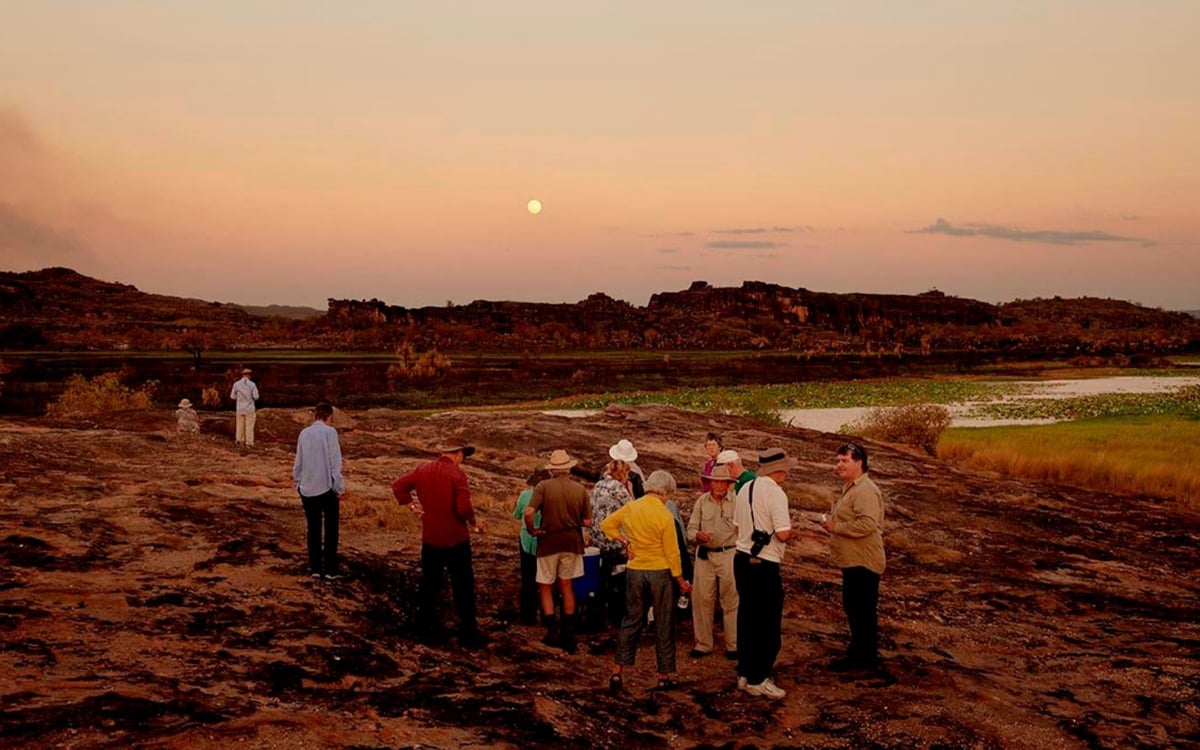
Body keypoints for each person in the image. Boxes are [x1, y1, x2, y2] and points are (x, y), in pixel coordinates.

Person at [601, 470, 692, 694]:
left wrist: (625, 542)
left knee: (631, 619)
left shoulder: (632, 507)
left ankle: (617, 670)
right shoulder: (664, 515)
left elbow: (606, 525)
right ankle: (663, 675)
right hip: (660, 571)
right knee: (664, 622)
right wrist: (680, 580)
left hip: (635, 570)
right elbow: (673, 553)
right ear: (666, 492)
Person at [392, 443, 488, 649]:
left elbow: (398, 486)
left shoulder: (423, 470)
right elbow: (463, 508)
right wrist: (474, 522)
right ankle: (468, 633)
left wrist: (411, 505)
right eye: (463, 454)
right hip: (456, 539)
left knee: (430, 584)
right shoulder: (457, 475)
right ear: (457, 453)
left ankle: (427, 630)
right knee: (463, 585)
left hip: (431, 538)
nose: (463, 459)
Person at [733, 447, 795, 699]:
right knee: (767, 623)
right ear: (779, 469)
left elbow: (737, 525)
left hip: (741, 559)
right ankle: (759, 678)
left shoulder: (744, 488)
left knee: (747, 617)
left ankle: (745, 673)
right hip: (764, 563)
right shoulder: (776, 493)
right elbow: (782, 533)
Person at [822, 442, 886, 672]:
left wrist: (836, 527)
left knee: (862, 610)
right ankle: (860, 654)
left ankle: (863, 659)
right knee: (855, 607)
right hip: (852, 560)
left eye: (844, 460)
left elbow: (867, 524)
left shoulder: (865, 490)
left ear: (859, 463)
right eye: (838, 460)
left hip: (864, 561)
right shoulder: (850, 487)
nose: (839, 465)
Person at [526, 449, 593, 653]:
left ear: (553, 469)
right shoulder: (580, 489)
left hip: (549, 540)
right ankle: (568, 631)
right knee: (567, 584)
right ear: (568, 468)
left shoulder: (543, 487)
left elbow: (529, 513)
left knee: (545, 584)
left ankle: (551, 630)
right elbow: (588, 521)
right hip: (572, 541)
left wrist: (533, 530)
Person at [686, 464, 739, 659]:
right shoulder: (701, 501)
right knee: (701, 599)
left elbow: (744, 530)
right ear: (710, 482)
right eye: (715, 481)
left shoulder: (737, 502)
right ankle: (703, 644)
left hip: (729, 554)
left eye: (722, 482)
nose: (718, 485)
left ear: (728, 484)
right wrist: (697, 536)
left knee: (731, 600)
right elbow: (690, 529)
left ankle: (733, 645)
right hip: (705, 556)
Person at [292, 402, 345, 579]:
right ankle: (330, 569)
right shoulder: (330, 433)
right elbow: (334, 462)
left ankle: (315, 567)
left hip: (307, 487)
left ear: (315, 416)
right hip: (326, 487)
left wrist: (298, 482)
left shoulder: (304, 433)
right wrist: (339, 487)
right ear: (330, 417)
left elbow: (298, 461)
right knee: (331, 529)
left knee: (313, 528)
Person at [590, 456, 634, 629]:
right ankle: (617, 616)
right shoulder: (620, 490)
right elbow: (633, 510)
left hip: (597, 539)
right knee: (618, 579)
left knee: (601, 578)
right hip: (615, 540)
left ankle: (598, 616)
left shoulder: (598, 486)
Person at [513, 468, 549, 626]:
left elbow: (517, 515)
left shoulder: (525, 496)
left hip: (527, 540)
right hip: (547, 541)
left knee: (528, 578)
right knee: (546, 579)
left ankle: (527, 616)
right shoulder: (551, 497)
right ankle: (547, 613)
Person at [229, 368, 259, 447]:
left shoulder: (236, 384)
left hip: (239, 407)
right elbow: (256, 397)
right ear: (249, 375)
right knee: (249, 425)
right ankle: (249, 442)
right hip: (249, 408)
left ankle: (239, 440)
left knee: (239, 424)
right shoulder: (252, 384)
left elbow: (232, 396)